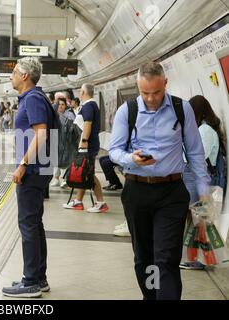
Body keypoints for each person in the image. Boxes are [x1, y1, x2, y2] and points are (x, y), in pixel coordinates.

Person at [109, 62, 210, 300]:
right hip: (137, 191)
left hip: (171, 193)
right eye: (145, 93)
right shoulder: (128, 111)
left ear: (165, 83)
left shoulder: (181, 108)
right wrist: (131, 159)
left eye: (156, 92)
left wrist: (204, 193)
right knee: (143, 258)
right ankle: (150, 296)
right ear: (138, 87)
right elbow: (114, 151)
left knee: (166, 258)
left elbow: (195, 153)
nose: (151, 98)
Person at [2, 57, 53, 298]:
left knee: (28, 225)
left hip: (33, 171)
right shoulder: (32, 98)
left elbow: (40, 135)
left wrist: (22, 165)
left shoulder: (32, 98)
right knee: (34, 223)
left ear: (24, 76)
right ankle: (39, 278)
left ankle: (31, 281)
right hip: (38, 169)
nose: (11, 75)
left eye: (14, 72)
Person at [180, 95, 225, 270]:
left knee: (198, 219)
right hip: (196, 177)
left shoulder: (205, 131)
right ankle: (195, 257)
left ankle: (199, 259)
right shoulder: (204, 129)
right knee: (196, 219)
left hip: (199, 177)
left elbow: (198, 157)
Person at [63, 84, 109, 213]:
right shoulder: (91, 105)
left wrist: (83, 141)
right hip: (89, 145)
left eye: (80, 92)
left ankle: (101, 202)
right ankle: (78, 201)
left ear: (83, 92)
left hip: (87, 146)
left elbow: (88, 124)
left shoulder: (89, 106)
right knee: (84, 172)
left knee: (88, 173)